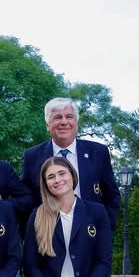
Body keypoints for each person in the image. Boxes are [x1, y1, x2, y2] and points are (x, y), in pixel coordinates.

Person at [20, 98, 120, 228]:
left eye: (69, 117)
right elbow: (24, 198)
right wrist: (31, 231)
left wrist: (105, 228)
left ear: (76, 123)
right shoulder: (32, 156)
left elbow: (112, 196)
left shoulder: (98, 152)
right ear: (47, 125)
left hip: (90, 233)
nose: (64, 122)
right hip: (48, 234)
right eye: (57, 117)